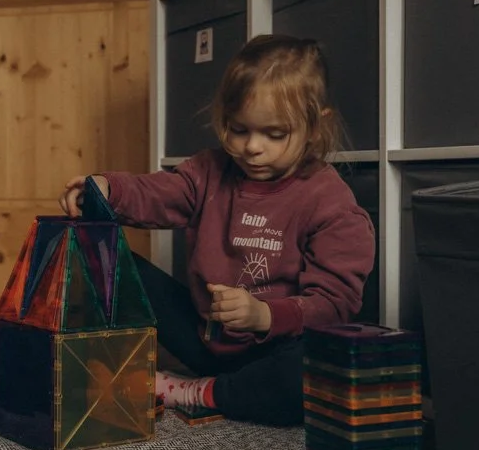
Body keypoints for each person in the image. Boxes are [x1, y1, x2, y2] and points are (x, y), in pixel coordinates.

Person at [60, 34, 375, 425]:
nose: (252, 147)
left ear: (315, 126)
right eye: (238, 130)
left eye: (274, 134)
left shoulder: (330, 202)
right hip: (206, 336)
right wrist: (108, 188)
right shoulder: (209, 170)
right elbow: (162, 192)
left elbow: (335, 304)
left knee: (320, 376)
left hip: (276, 350)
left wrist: (263, 315)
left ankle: (199, 392)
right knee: (105, 261)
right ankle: (199, 380)